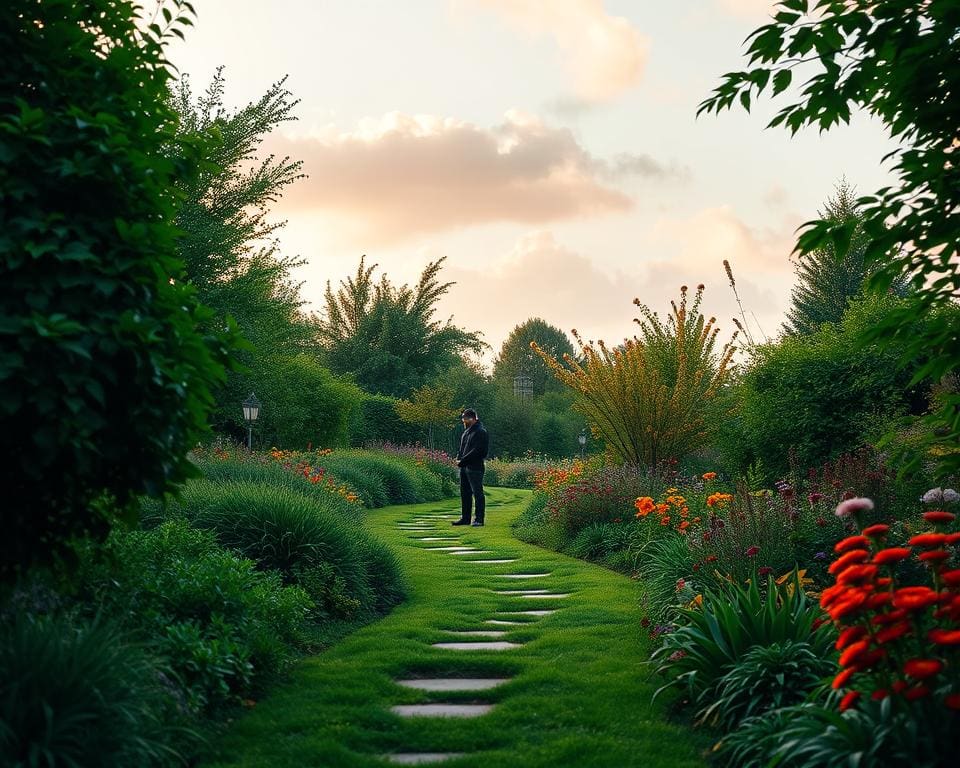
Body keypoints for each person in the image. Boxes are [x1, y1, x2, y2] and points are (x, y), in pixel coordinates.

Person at [453, 408, 489, 526]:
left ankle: (479, 519)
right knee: (465, 493)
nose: (464, 422)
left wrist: (463, 460)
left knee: (477, 493)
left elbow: (479, 451)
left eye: (465, 419)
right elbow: (462, 448)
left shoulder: (481, 432)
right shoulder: (466, 432)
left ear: (472, 419)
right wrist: (459, 458)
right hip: (464, 467)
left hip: (475, 467)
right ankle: (465, 518)